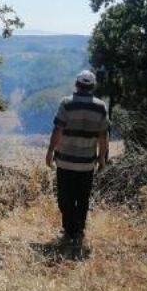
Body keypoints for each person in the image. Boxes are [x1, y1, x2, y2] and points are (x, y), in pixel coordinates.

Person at [45, 70, 109, 249]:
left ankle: (69, 230)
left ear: (77, 84)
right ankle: (78, 231)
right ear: (92, 86)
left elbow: (57, 130)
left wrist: (50, 151)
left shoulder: (66, 104)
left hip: (65, 162)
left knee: (65, 198)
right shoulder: (100, 107)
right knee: (82, 198)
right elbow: (103, 135)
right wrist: (102, 158)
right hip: (87, 164)